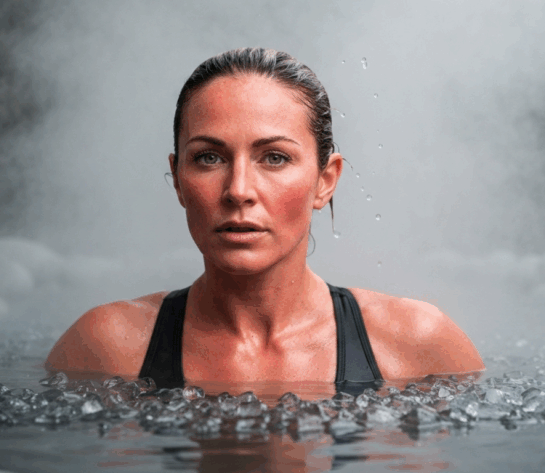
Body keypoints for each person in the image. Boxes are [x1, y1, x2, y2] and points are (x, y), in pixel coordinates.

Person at [45, 48, 484, 393]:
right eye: (208, 157)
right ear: (178, 179)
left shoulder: (419, 347)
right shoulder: (106, 350)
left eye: (274, 158)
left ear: (324, 181)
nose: (238, 190)